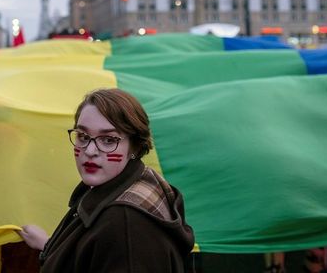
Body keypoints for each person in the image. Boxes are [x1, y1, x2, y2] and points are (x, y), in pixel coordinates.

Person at [18, 88, 195, 272]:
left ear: (134, 146)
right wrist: (48, 245)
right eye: (83, 136)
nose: (90, 151)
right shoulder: (136, 182)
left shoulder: (126, 224)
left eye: (108, 140)